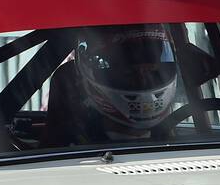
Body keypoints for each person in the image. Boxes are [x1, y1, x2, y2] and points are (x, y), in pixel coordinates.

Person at [44, 24, 180, 146]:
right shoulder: (74, 148)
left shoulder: (176, 141)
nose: (143, 80)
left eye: (151, 70)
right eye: (128, 71)